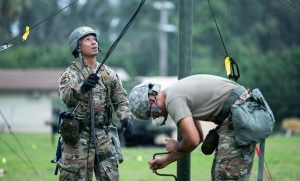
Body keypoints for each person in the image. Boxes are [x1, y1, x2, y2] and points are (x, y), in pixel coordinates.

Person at [128, 74, 257, 180]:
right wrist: (166, 160)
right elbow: (198, 138)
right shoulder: (175, 92)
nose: (156, 117)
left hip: (239, 115)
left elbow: (192, 140)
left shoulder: (173, 100)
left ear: (152, 102)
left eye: (152, 114)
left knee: (225, 176)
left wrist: (176, 146)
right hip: (241, 112)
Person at [58, 26, 134, 181]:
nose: (93, 42)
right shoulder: (71, 73)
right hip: (78, 136)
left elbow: (120, 98)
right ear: (78, 47)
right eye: (87, 40)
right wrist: (83, 87)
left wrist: (126, 117)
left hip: (103, 135)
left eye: (94, 39)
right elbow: (66, 96)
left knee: (110, 177)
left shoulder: (108, 73)